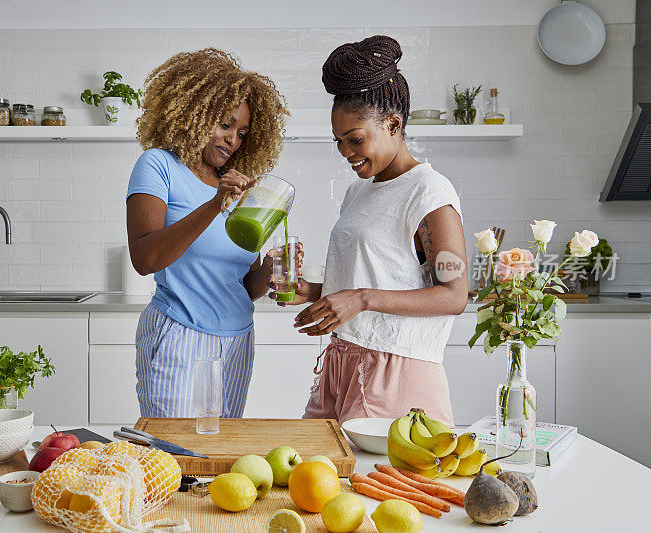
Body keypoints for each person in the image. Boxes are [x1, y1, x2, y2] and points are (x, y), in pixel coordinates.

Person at [275, 35, 468, 426]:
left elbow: (454, 294)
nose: (346, 152)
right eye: (339, 141)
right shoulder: (358, 192)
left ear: (393, 124)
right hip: (340, 361)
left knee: (376, 486)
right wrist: (316, 293)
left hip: (396, 372)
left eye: (356, 139)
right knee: (312, 478)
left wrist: (360, 298)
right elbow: (376, 273)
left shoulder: (429, 192)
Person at [127, 48, 291, 418]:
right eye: (225, 124)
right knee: (174, 459)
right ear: (193, 114)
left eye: (242, 132)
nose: (233, 139)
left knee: (221, 461)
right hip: (179, 336)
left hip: (238, 340)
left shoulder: (235, 188)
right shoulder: (159, 166)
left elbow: (243, 285)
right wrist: (215, 204)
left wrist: (272, 270)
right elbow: (145, 258)